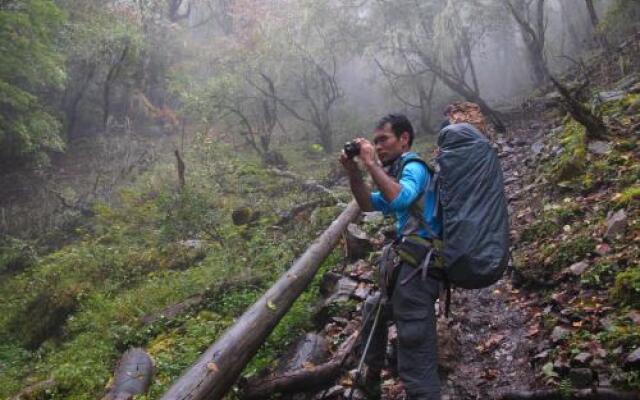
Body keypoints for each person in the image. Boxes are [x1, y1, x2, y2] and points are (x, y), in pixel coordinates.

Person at [339, 114, 442, 400]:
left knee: (415, 345)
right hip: (405, 267)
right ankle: (372, 379)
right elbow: (367, 203)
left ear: (404, 138)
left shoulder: (414, 167)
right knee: (374, 308)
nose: (378, 146)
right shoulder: (395, 171)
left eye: (383, 139)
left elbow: (401, 199)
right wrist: (354, 172)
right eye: (375, 142)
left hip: (419, 269)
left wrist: (371, 163)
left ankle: (423, 392)